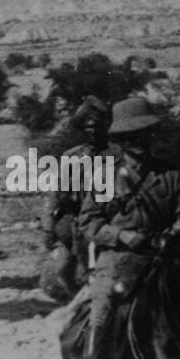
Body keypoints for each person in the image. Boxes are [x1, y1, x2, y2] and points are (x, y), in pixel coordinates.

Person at [68, 96, 180, 359]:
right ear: (119, 140)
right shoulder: (104, 177)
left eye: (143, 134)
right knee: (102, 307)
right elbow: (89, 223)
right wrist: (123, 236)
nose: (138, 142)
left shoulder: (171, 176)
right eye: (130, 137)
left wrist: (175, 233)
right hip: (118, 262)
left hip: (166, 259)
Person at [44, 95, 114, 266]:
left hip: (109, 223)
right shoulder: (72, 156)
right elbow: (56, 193)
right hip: (75, 221)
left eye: (97, 126)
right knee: (63, 268)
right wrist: (49, 228)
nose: (92, 131)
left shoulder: (116, 155)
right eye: (87, 127)